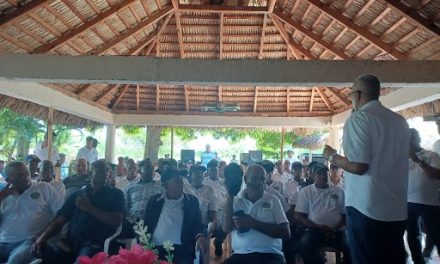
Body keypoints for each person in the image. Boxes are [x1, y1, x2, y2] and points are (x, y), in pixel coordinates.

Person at [323, 74, 411, 264]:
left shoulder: (360, 119)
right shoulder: (399, 121)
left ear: (359, 94)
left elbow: (358, 166)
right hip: (396, 210)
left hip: (367, 209)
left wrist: (331, 156)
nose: (350, 98)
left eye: (351, 94)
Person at [32, 160, 125, 263]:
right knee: (38, 251)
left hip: (95, 243)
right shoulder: (77, 195)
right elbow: (59, 220)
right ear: (90, 174)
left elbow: (116, 221)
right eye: (100, 170)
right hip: (71, 242)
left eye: (107, 171)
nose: (106, 174)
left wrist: (90, 209)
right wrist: (42, 237)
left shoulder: (116, 195)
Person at [223, 165, 291, 264]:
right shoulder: (235, 201)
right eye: (255, 178)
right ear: (246, 179)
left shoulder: (273, 200)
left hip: (270, 254)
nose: (259, 182)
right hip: (240, 254)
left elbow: (285, 232)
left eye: (262, 178)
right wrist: (230, 195)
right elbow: (227, 228)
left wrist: (252, 223)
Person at [0, 162, 63, 263]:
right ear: (8, 180)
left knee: (14, 261)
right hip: (2, 240)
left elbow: (61, 215)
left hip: (29, 241)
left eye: (27, 172)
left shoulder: (44, 188)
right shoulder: (4, 194)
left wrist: (42, 235)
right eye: (20, 175)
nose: (26, 177)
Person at [144, 168, 206, 264]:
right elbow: (146, 224)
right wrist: (144, 244)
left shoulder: (191, 201)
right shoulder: (154, 201)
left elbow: (197, 224)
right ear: (165, 185)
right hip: (156, 248)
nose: (181, 183)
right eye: (176, 181)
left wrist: (199, 236)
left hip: (182, 249)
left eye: (181, 180)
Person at [295, 164, 349, 264]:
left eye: (325, 173)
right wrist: (317, 227)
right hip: (314, 230)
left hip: (337, 230)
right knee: (305, 244)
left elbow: (345, 215)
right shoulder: (306, 192)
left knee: (350, 244)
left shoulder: (340, 192)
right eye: (319, 174)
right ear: (313, 176)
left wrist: (335, 228)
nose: (323, 176)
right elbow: (299, 215)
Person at [406, 128, 440, 264]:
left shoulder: (432, 155)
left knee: (437, 234)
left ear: (417, 139)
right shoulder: (403, 159)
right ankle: (418, 261)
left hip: (429, 202)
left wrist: (417, 160)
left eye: (411, 138)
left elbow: (437, 174)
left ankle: (427, 254)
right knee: (413, 236)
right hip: (408, 202)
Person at [190, 165, 225, 256]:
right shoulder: (186, 189)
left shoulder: (209, 190)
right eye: (196, 177)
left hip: (202, 224)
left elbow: (212, 209)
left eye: (201, 176)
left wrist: (213, 220)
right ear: (191, 177)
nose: (199, 179)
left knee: (217, 227)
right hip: (187, 224)